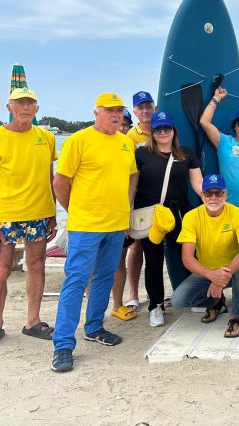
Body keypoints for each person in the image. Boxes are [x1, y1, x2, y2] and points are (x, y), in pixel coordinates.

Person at [51, 93, 138, 373]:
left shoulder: (125, 142)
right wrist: (76, 210)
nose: (116, 115)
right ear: (96, 113)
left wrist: (126, 209)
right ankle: (63, 345)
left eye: (119, 111)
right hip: (85, 226)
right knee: (76, 281)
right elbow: (60, 183)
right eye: (110, 110)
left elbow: (132, 175)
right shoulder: (78, 140)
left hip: (116, 225)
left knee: (105, 277)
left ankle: (94, 327)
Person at [0, 87, 57, 347]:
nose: (25, 107)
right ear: (9, 107)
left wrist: (53, 214)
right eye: (19, 102)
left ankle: (33, 321)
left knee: (36, 266)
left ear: (37, 109)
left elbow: (49, 178)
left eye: (30, 103)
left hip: (39, 214)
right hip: (6, 218)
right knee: (1, 269)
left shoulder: (46, 137)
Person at [135, 111, 203, 327]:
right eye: (158, 129)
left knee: (188, 254)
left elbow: (198, 183)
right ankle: (155, 306)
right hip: (151, 214)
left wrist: (212, 199)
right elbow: (132, 185)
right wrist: (126, 212)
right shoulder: (141, 154)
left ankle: (194, 297)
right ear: (152, 132)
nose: (163, 132)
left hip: (179, 212)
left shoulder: (186, 153)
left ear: (174, 131)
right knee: (153, 260)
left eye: (167, 128)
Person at [171, 174, 239, 338]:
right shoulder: (191, 217)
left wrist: (222, 277)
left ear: (225, 194)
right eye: (209, 193)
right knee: (178, 300)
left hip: (234, 269)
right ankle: (216, 302)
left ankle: (235, 317)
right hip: (207, 272)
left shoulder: (237, 213)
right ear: (202, 195)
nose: (214, 198)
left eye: (218, 193)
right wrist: (211, 275)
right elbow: (187, 258)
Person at [200, 87, 239, 240]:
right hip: (226, 206)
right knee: (225, 248)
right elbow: (204, 122)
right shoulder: (224, 142)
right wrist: (216, 98)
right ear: (235, 126)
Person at [124, 90, 156, 313]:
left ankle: (156, 294)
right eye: (141, 107)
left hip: (159, 195)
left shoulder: (163, 129)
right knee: (137, 245)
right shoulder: (129, 137)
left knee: (158, 245)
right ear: (135, 111)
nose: (145, 111)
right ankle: (133, 294)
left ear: (154, 108)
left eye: (148, 106)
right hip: (138, 195)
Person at [109, 106, 137, 322]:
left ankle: (117, 304)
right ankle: (93, 309)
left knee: (119, 260)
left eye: (125, 125)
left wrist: (128, 209)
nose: (121, 128)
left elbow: (134, 177)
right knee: (93, 265)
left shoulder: (128, 147)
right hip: (95, 215)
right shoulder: (94, 142)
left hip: (123, 213)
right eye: (118, 123)